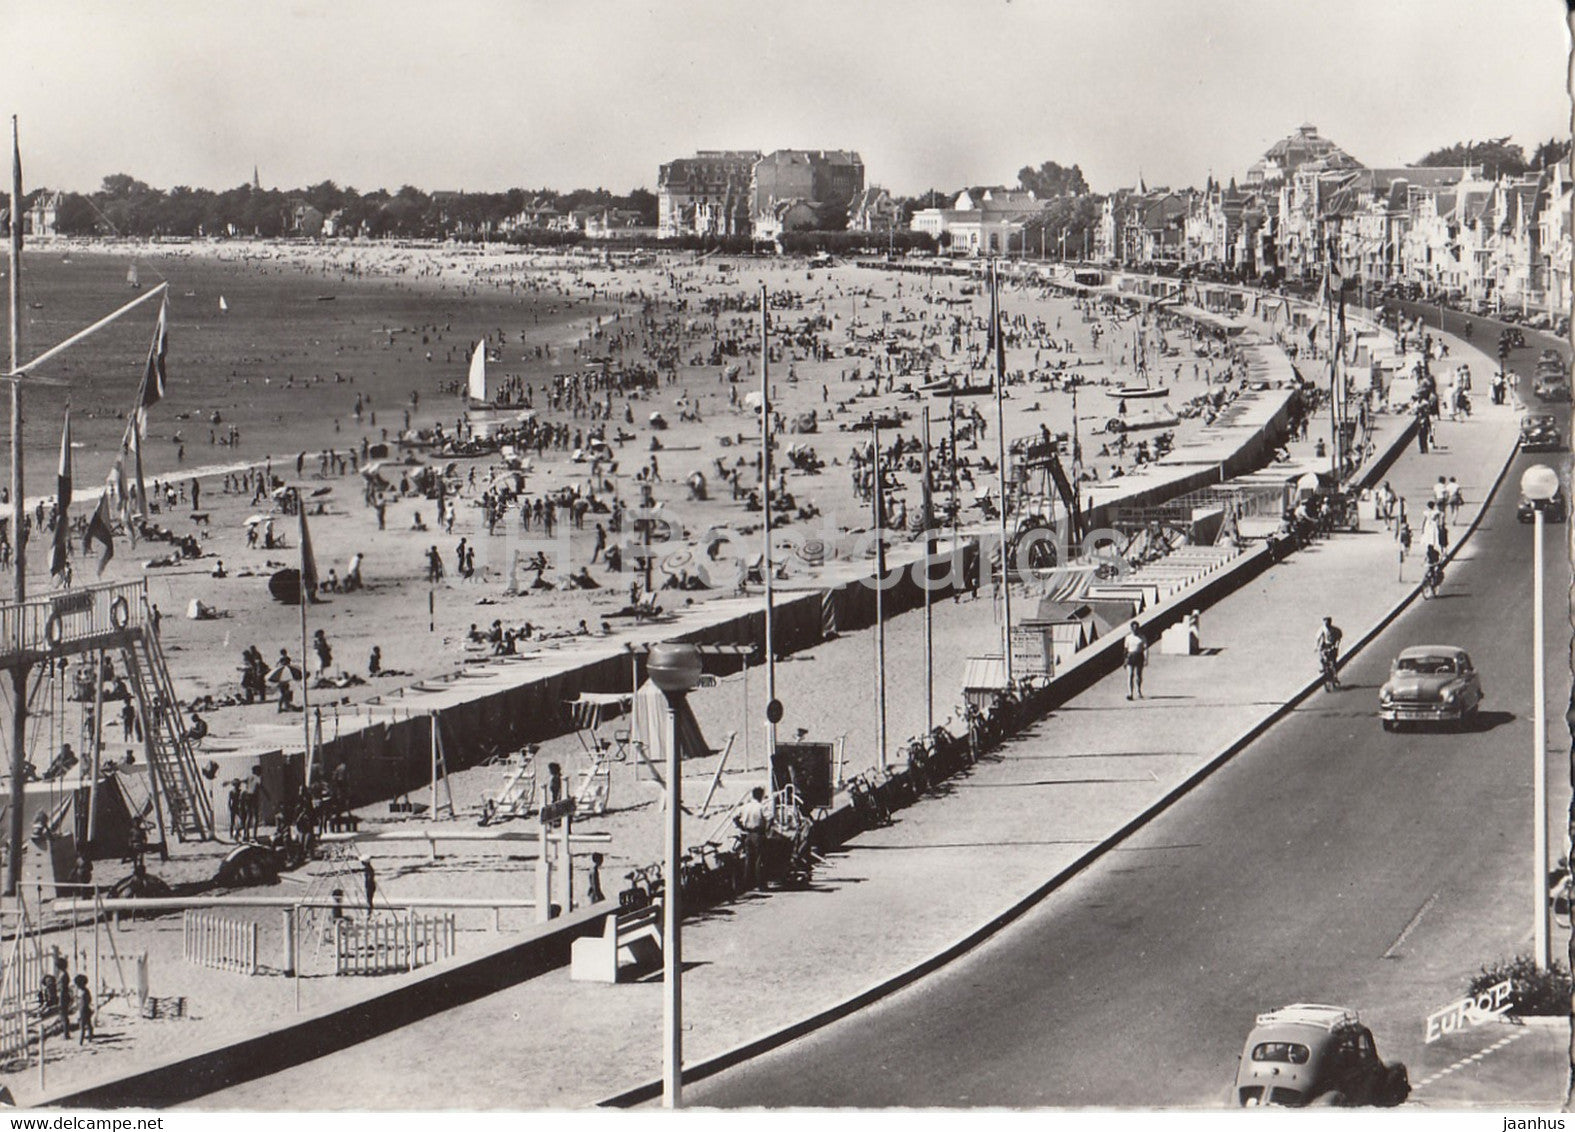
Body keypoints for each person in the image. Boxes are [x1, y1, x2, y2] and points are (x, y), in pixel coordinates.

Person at [733, 786, 771, 890]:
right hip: (758, 834)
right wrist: (767, 829)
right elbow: (769, 818)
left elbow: (735, 818)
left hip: (748, 835)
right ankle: (761, 885)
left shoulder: (745, 807)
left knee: (749, 860)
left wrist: (741, 827)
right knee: (760, 860)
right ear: (761, 796)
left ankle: (747, 884)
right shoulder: (761, 807)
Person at [1315, 616, 1344, 691]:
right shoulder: (1322, 629)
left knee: (1333, 662)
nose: (1326, 624)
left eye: (1328, 622)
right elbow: (1318, 638)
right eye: (1325, 622)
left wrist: (1336, 646)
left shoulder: (1335, 630)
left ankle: (1335, 676)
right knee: (1322, 658)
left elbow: (1338, 638)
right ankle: (1323, 668)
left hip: (1332, 645)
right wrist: (1316, 647)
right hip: (1325, 645)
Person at [1123, 620, 1147, 700]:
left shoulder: (1142, 637)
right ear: (1131, 629)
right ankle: (1130, 693)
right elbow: (1126, 649)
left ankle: (1138, 691)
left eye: (1136, 628)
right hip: (1131, 656)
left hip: (1139, 655)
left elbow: (1145, 648)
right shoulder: (1128, 637)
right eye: (1133, 628)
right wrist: (1125, 660)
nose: (1135, 630)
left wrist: (1146, 659)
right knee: (1130, 675)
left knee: (1138, 675)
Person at [74, 974, 93, 1044]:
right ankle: (90, 1038)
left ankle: (81, 1042)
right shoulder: (85, 991)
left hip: (83, 1010)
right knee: (88, 1025)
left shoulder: (84, 992)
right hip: (86, 1009)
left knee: (82, 1026)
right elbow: (89, 1000)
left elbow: (84, 1003)